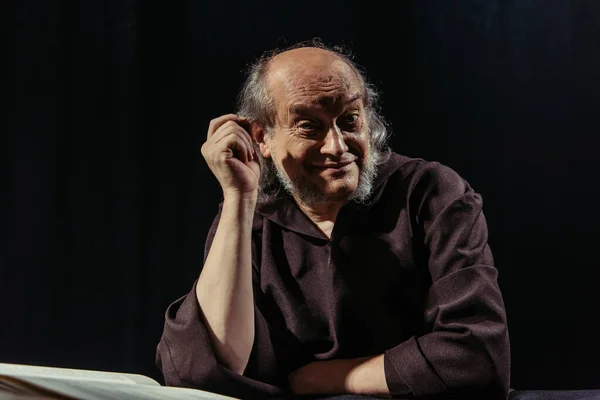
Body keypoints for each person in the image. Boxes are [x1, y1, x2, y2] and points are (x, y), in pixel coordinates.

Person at [156, 41, 510, 399]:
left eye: (349, 120)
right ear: (262, 137)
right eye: (310, 126)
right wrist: (238, 198)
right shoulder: (251, 216)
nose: (337, 147)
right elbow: (204, 370)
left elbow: (476, 357)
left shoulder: (430, 193)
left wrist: (324, 379)